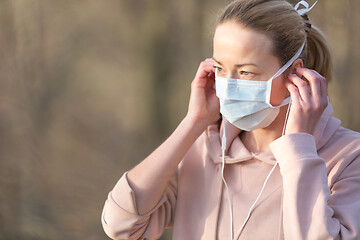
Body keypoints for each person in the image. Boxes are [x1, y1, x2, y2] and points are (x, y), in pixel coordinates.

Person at [101, 0, 360, 239]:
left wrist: (299, 150)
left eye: (246, 72)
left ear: (295, 73)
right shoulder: (203, 149)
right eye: (220, 68)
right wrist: (193, 122)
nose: (230, 84)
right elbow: (121, 225)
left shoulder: (349, 157)